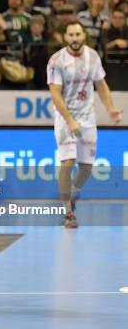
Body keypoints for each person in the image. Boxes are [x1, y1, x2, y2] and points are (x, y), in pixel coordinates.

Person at [47, 21, 122, 228]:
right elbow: (55, 94)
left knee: (86, 168)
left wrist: (111, 108)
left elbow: (101, 85)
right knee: (68, 162)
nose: (75, 38)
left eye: (78, 34)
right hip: (65, 117)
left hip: (87, 118)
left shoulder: (93, 56)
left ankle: (73, 192)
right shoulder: (57, 61)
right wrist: (70, 120)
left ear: (84, 36)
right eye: (70, 35)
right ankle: (68, 214)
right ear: (65, 38)